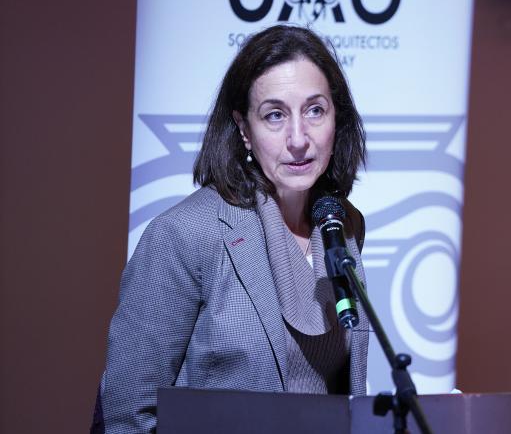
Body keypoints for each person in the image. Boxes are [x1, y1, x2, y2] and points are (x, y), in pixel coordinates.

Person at [96, 25, 368, 433]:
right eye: (275, 115)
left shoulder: (342, 224)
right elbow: (126, 416)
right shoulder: (185, 235)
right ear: (244, 129)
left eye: (315, 110)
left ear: (336, 117)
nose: (298, 139)